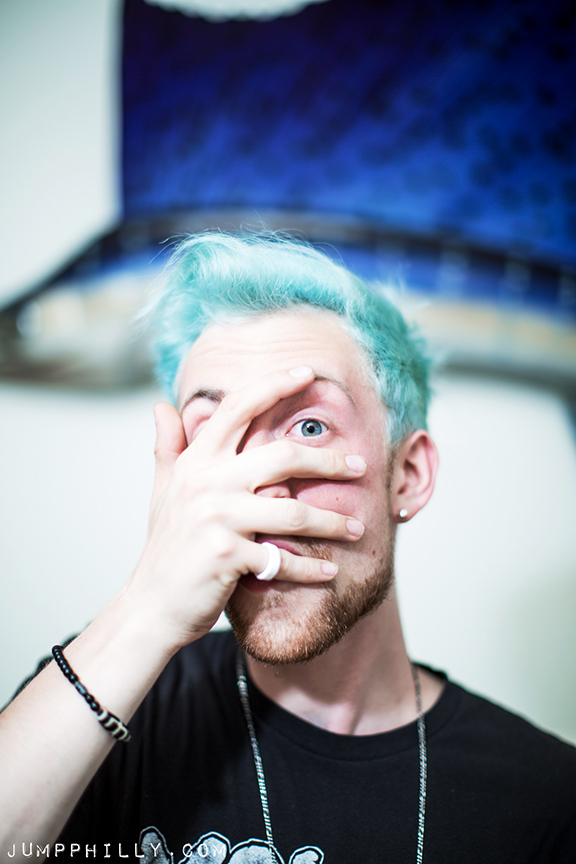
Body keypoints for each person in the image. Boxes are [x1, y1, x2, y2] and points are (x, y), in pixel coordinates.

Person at [1, 232, 575, 864]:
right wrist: (146, 607)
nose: (258, 488)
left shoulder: (547, 801)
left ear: (408, 475)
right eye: (216, 436)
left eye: (310, 426)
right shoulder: (103, 707)